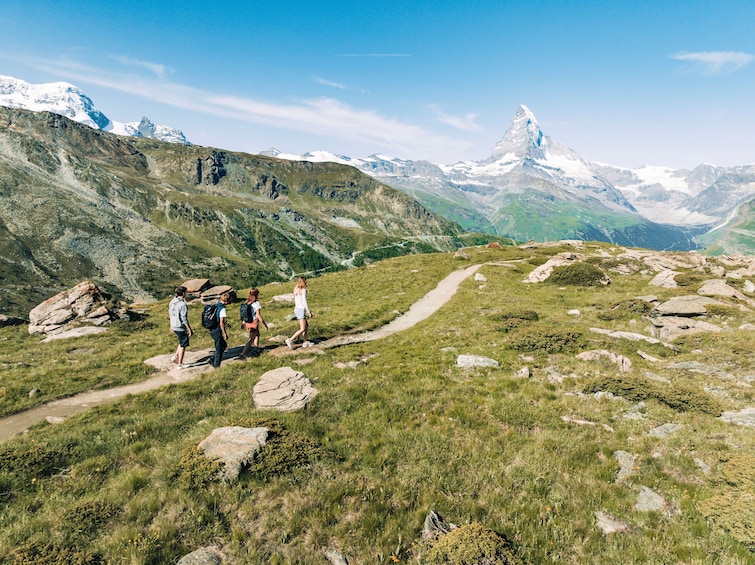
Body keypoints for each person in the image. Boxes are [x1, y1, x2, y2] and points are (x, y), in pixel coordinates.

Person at [240, 288, 268, 359]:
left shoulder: (247, 302)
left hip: (247, 322)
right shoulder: (256, 303)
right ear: (257, 294)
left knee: (257, 334)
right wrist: (264, 324)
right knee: (251, 338)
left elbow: (244, 314)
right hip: (254, 322)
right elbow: (258, 315)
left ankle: (256, 349)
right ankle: (243, 354)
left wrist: (243, 323)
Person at [169, 286, 193, 369]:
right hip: (180, 326)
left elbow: (171, 314)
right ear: (183, 293)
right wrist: (189, 329)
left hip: (174, 325)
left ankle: (175, 356)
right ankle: (180, 364)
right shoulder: (182, 304)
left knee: (181, 341)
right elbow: (184, 318)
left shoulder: (172, 302)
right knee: (183, 344)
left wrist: (171, 325)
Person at [285, 276, 313, 349]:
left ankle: (305, 342)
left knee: (306, 325)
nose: (307, 282)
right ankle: (290, 340)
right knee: (302, 328)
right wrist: (309, 311)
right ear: (303, 281)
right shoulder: (303, 290)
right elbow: (304, 302)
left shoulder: (296, 289)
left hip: (297, 308)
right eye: (305, 281)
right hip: (301, 309)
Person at [209, 292, 230, 368]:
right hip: (217, 329)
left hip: (212, 328)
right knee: (219, 348)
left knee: (223, 345)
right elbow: (221, 323)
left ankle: (212, 359)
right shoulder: (222, 309)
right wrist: (224, 333)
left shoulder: (215, 305)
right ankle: (216, 366)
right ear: (226, 301)